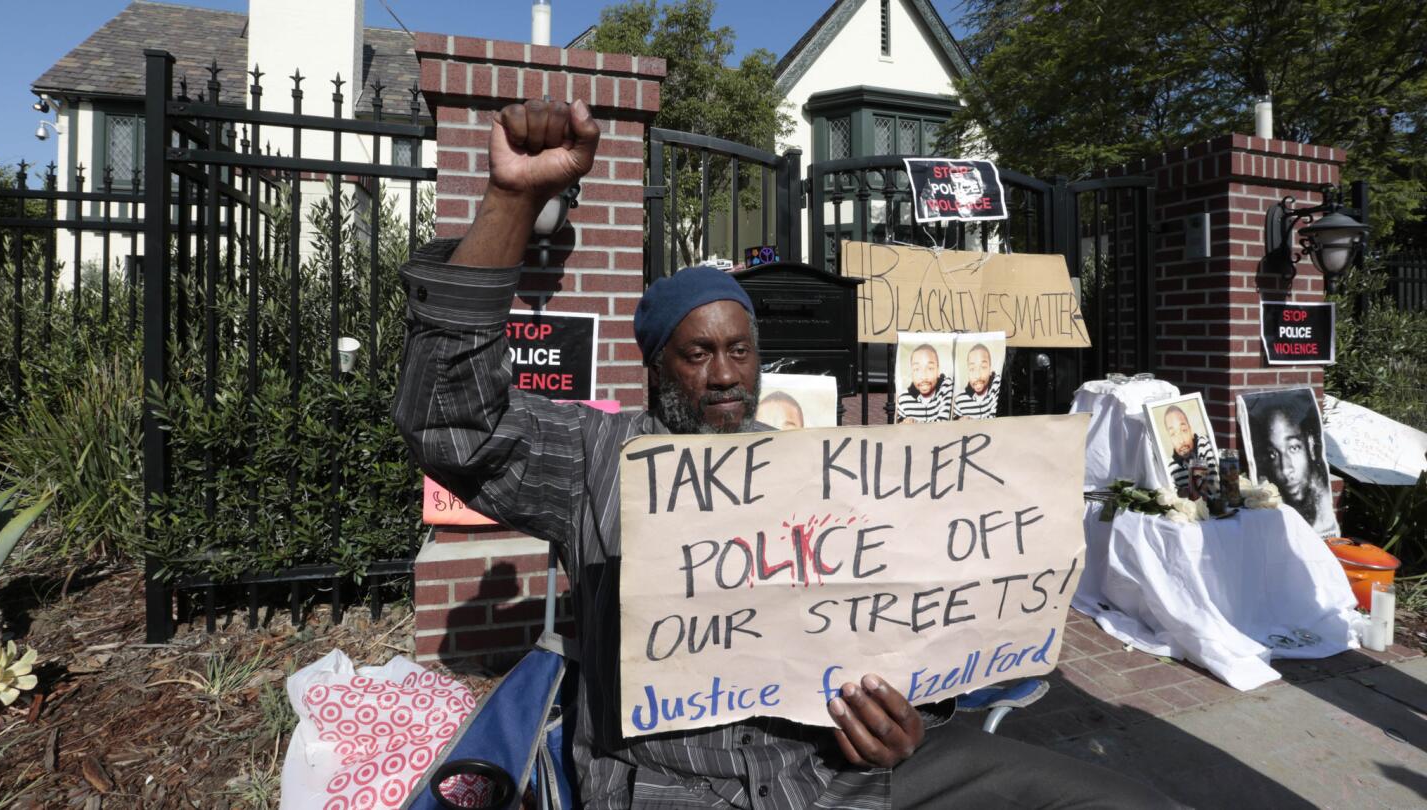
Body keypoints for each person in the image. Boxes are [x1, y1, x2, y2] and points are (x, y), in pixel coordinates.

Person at [394, 98, 1178, 809]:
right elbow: (453, 423)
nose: (726, 374)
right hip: (680, 789)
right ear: (656, 365)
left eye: (740, 350)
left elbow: (886, 627)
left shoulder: (811, 470)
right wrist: (512, 200)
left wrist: (908, 716)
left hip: (841, 772)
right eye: (697, 354)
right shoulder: (598, 459)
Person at [1247, 394, 1336, 535]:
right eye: (1273, 454)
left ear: (1311, 446)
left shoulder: (1324, 517)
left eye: (1293, 448)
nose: (1285, 469)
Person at [1162, 405, 1219, 496]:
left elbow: (1215, 486)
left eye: (1184, 430)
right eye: (1173, 434)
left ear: (1191, 430)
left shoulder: (1203, 443)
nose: (1181, 440)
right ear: (1170, 439)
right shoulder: (1170, 466)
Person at [895, 344, 953, 423]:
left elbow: (943, 423)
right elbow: (897, 427)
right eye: (917, 369)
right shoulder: (903, 399)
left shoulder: (946, 387)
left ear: (938, 370)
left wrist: (916, 423)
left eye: (930, 368)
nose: (923, 376)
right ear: (911, 373)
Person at [953, 343, 1001, 419]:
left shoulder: (995, 389)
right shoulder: (959, 401)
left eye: (983, 367)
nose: (977, 375)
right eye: (972, 369)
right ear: (967, 372)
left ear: (990, 369)